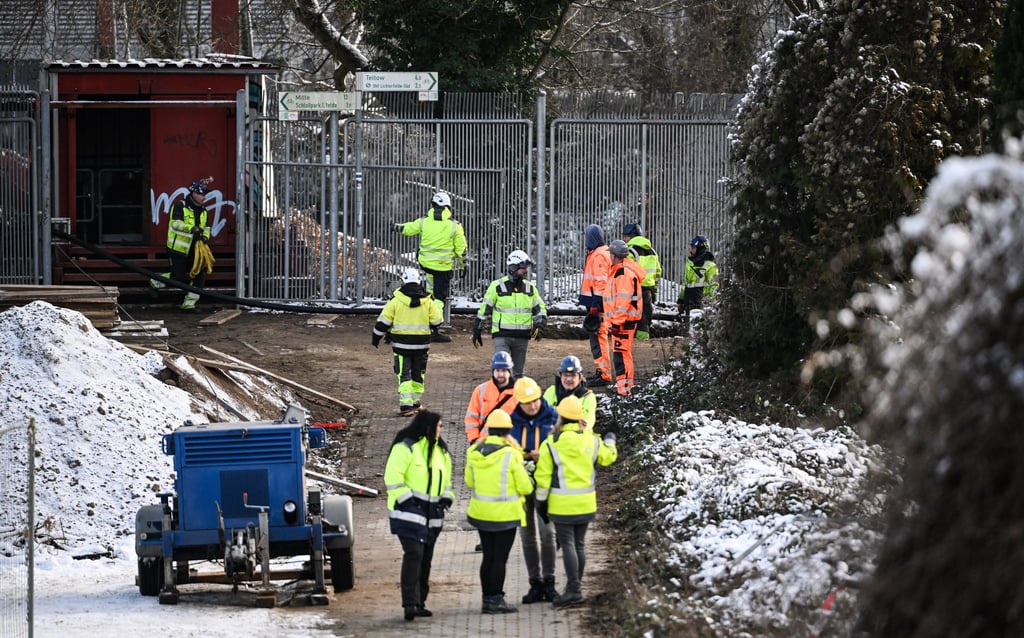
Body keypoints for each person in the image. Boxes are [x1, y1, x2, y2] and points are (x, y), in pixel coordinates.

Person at [534, 395, 618, 608]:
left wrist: (541, 503)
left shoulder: (551, 443)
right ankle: (575, 587)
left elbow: (542, 477)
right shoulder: (591, 440)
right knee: (579, 544)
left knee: (569, 544)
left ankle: (573, 590)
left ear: (560, 417)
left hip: (561, 504)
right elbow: (608, 457)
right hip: (587, 502)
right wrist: (610, 438)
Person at [383, 410, 455, 621]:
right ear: (428, 427)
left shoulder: (442, 451)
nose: (441, 430)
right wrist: (408, 501)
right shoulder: (405, 447)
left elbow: (448, 481)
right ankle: (410, 603)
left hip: (432, 516)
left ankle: (420, 601)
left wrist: (447, 498)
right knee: (414, 554)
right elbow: (392, 476)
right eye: (439, 426)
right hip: (407, 514)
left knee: (425, 559)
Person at [465, 409, 535, 614]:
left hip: (480, 514)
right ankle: (495, 599)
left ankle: (487, 598)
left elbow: (469, 481)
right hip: (506, 516)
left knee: (488, 557)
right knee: (499, 559)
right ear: (507, 431)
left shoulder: (474, 452)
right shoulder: (511, 454)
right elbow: (525, 487)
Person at [509, 376, 559, 603]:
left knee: (548, 535)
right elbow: (507, 454)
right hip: (521, 487)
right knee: (527, 537)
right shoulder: (510, 424)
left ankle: (549, 581)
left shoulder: (554, 419)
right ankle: (534, 583)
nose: (534, 405)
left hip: (546, 487)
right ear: (519, 402)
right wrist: (527, 454)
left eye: (536, 400)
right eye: (528, 402)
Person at [395, 191, 467, 342]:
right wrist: (462, 266)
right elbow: (461, 251)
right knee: (439, 298)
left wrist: (396, 227)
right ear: (448, 207)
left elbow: (408, 228)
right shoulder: (455, 226)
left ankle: (422, 323)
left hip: (426, 265)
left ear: (433, 205)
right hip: (443, 268)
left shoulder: (424, 221)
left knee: (428, 293)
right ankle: (433, 328)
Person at [372, 268, 444, 416]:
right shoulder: (428, 301)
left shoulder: (396, 300)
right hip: (422, 345)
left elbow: (383, 322)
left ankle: (406, 406)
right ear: (419, 281)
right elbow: (437, 321)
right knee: (419, 374)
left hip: (401, 346)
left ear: (403, 281)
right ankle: (416, 403)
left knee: (404, 374)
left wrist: (376, 337)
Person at [473, 250, 548, 379]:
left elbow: (540, 309)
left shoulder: (530, 288)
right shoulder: (497, 287)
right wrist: (477, 330)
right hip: (502, 335)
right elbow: (484, 310)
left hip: (522, 337)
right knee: (500, 370)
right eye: (523, 267)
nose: (526, 271)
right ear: (513, 267)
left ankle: (515, 398)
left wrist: (540, 324)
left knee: (518, 375)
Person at [150, 177, 213, 312]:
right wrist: (191, 228)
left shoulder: (203, 211)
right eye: (202, 194)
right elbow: (175, 223)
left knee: (199, 277)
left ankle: (189, 305)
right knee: (177, 277)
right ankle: (155, 281)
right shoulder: (180, 206)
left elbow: (207, 227)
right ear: (194, 193)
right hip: (178, 249)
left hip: (195, 250)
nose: (204, 197)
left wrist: (205, 237)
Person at [604, 239, 646, 396]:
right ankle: (624, 389)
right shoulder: (621, 271)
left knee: (622, 356)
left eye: (611, 254)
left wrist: (617, 322)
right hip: (623, 322)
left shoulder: (623, 274)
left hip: (623, 322)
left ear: (615, 256)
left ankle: (625, 391)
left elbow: (622, 302)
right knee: (621, 355)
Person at [579, 224, 613, 385]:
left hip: (597, 305)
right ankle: (601, 371)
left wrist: (595, 304)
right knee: (598, 337)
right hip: (597, 303)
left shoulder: (599, 255)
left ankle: (604, 373)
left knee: (599, 338)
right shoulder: (600, 253)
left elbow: (601, 282)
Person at [464, 351, 518, 443]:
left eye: (504, 370)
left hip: (508, 445)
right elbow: (471, 418)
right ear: (493, 371)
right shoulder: (480, 390)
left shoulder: (519, 393)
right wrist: (474, 440)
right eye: (497, 370)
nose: (500, 374)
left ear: (509, 371)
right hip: (483, 444)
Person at [623, 223, 663, 341]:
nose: (624, 239)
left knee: (632, 316)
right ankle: (643, 341)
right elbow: (658, 273)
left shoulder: (630, 251)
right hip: (648, 290)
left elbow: (625, 272)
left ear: (632, 236)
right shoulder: (652, 252)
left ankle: (633, 341)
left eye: (625, 237)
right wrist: (654, 291)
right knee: (645, 316)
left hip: (633, 289)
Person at [542, 355, 597, 429]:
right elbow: (542, 418)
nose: (569, 379)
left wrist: (558, 421)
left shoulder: (588, 397)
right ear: (560, 376)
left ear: (580, 377)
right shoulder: (551, 391)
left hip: (579, 438)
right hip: (553, 436)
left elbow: (586, 425)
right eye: (565, 375)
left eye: (573, 375)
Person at [677, 235, 720, 325]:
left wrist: (709, 304)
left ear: (700, 249)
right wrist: (681, 300)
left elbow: (714, 287)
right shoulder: (690, 265)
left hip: (702, 305)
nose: (690, 250)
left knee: (697, 334)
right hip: (689, 304)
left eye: (693, 248)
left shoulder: (710, 266)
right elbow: (686, 283)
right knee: (689, 333)